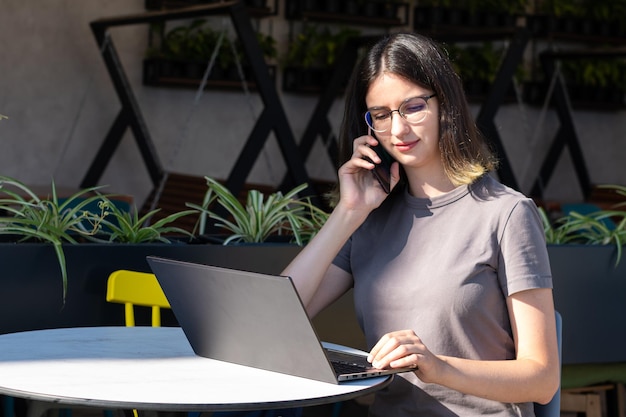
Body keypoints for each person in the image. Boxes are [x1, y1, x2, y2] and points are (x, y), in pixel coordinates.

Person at [282, 32, 559, 416]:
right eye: (381, 115)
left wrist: (438, 367)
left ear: (445, 104)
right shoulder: (368, 220)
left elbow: (542, 380)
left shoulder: (506, 214)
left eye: (413, 107)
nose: (397, 130)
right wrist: (348, 212)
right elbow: (279, 316)